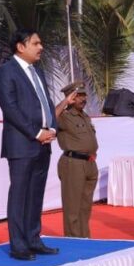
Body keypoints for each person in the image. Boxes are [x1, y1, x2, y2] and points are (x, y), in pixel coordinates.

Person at [0, 29, 59, 260]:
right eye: (36, 43)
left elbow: (46, 102)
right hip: (21, 144)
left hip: (43, 143)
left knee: (36, 194)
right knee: (20, 194)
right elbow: (10, 108)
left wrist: (53, 128)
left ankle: (33, 239)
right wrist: (36, 132)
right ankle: (18, 245)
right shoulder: (5, 72)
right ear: (21, 46)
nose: (41, 47)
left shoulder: (37, 72)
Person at [55, 81, 98, 239]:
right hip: (73, 164)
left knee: (85, 206)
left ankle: (84, 238)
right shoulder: (64, 116)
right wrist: (65, 103)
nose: (82, 99)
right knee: (72, 207)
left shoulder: (84, 116)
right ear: (70, 97)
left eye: (83, 95)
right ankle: (72, 241)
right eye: (78, 96)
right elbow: (48, 118)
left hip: (89, 163)